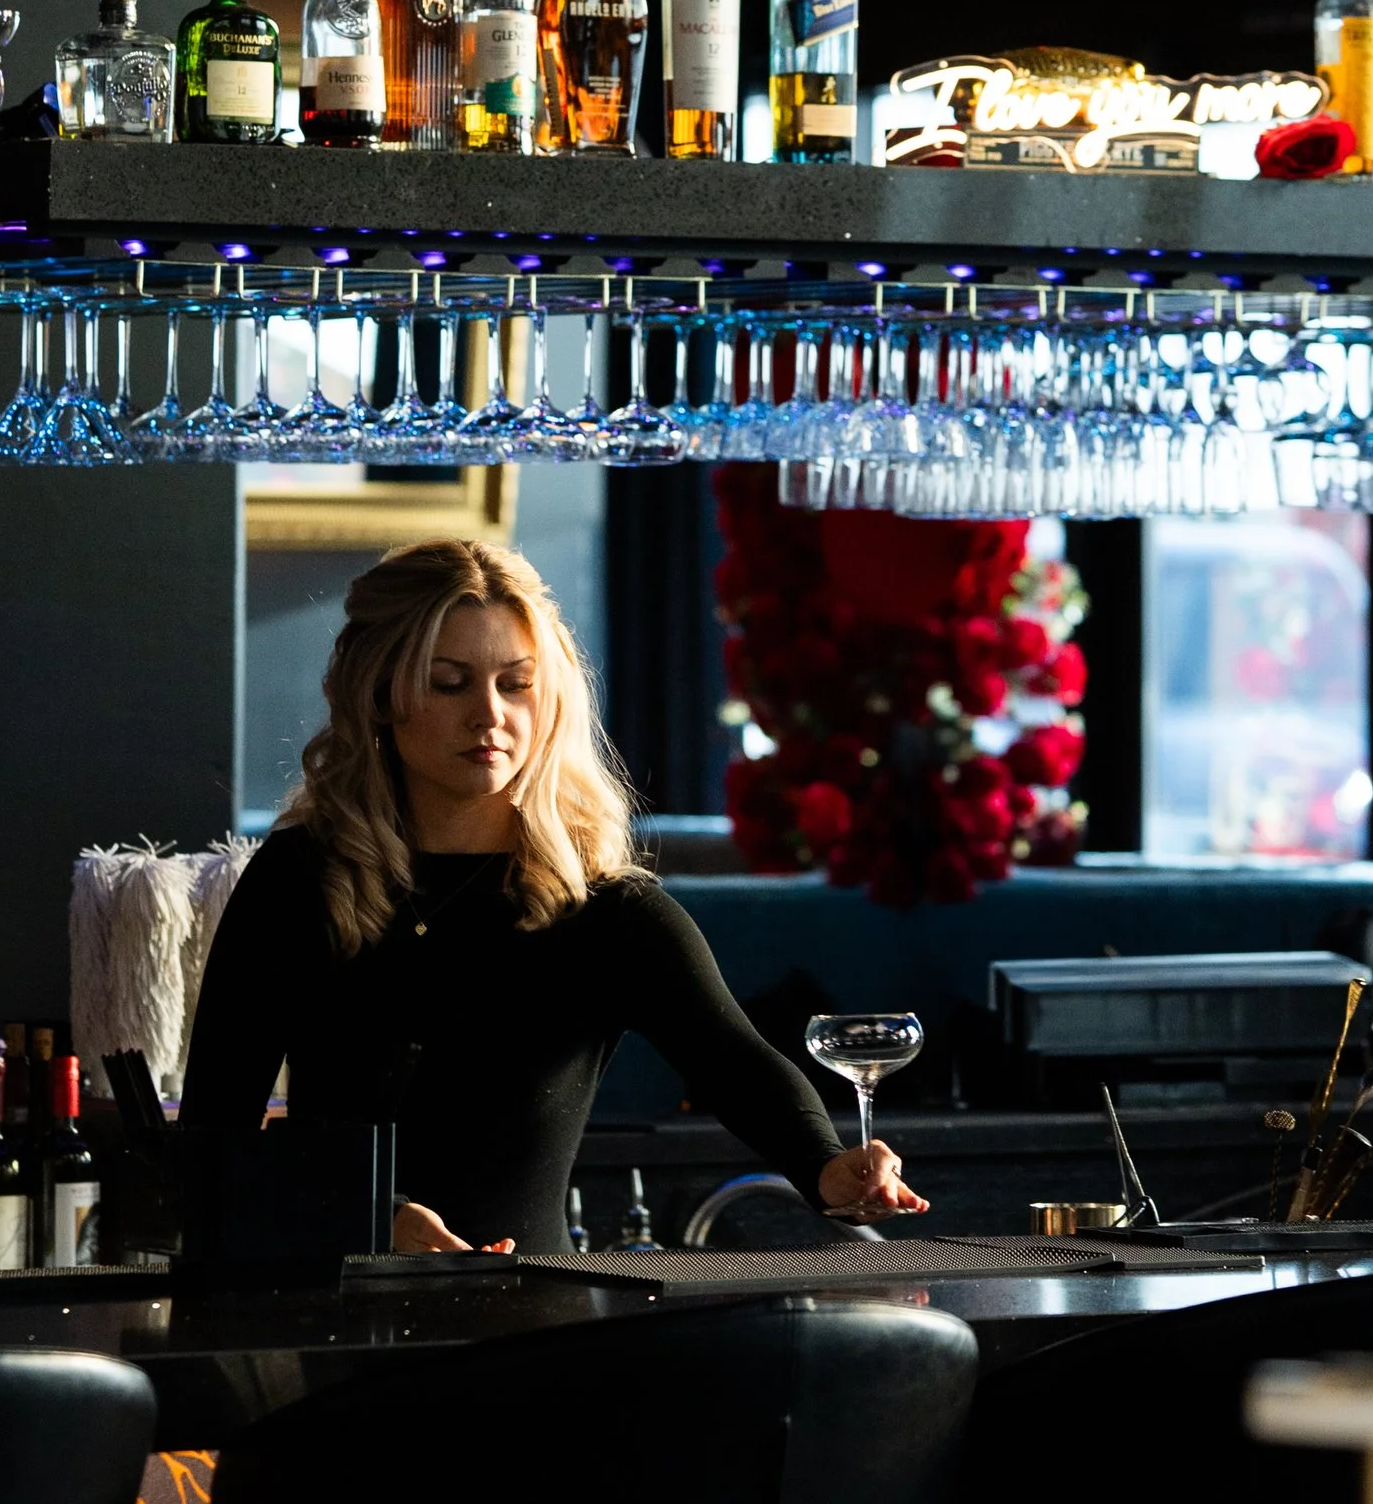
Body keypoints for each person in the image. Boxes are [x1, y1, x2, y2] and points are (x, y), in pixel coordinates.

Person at [182, 535, 928, 1253]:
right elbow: (210, 1145)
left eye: (516, 684)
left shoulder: (606, 912)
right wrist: (369, 1218)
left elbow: (738, 1065)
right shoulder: (301, 877)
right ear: (380, 696)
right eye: (450, 683)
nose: (490, 714)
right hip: (330, 1327)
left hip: (535, 1328)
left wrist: (829, 1166)